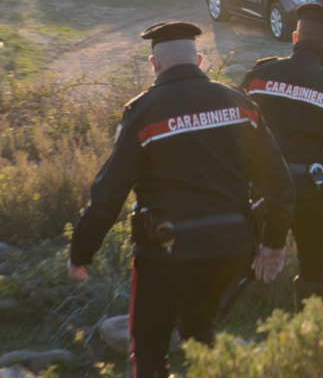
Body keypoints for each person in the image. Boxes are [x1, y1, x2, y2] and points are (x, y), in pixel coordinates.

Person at [67, 22, 295, 378]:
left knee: (148, 346)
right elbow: (280, 183)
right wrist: (274, 243)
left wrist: (81, 252)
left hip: (166, 253)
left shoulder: (143, 112)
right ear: (200, 60)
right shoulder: (241, 104)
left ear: (154, 65)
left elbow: (108, 194)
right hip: (230, 248)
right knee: (199, 329)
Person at [240, 3, 323, 311]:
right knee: (313, 263)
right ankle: (308, 336)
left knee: (247, 256)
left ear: (295, 37)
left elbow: (232, 129)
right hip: (308, 193)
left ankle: (233, 328)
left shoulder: (259, 75)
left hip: (262, 189)